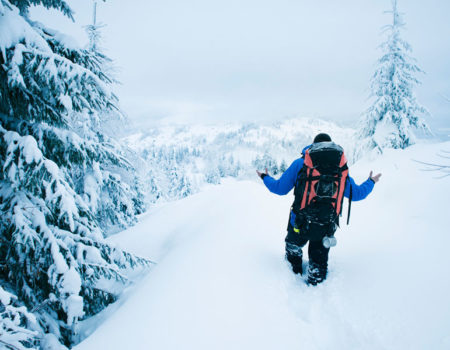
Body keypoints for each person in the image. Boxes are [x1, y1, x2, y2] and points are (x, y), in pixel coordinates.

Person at [256, 133, 381, 285]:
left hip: (300, 222)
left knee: (293, 246)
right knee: (319, 259)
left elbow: (279, 189)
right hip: (326, 224)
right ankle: (316, 281)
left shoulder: (300, 164)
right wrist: (371, 181)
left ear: (313, 146)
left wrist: (265, 177)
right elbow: (358, 194)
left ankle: (293, 272)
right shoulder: (340, 169)